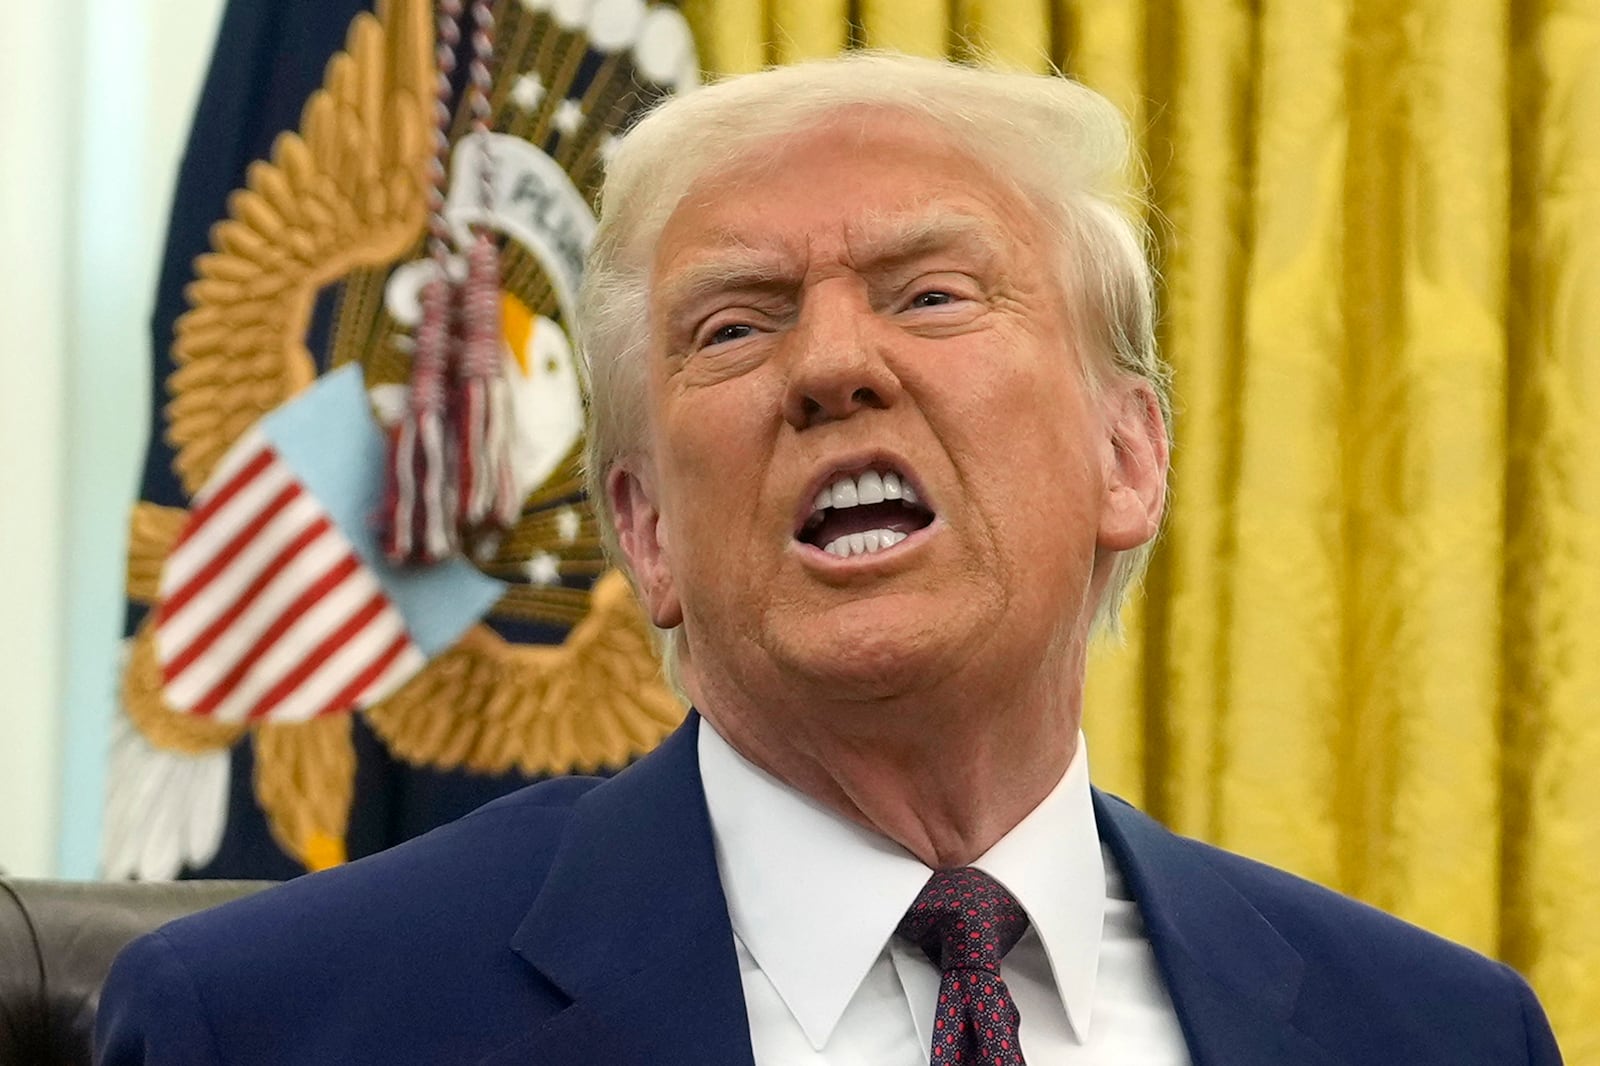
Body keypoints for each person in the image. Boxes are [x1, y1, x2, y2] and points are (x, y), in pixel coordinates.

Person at [96, 53, 1563, 1065]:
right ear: (647, 531)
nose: (833, 365)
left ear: (1130, 457)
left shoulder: (1435, 1030)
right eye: (736, 324)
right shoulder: (281, 1024)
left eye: (931, 292)